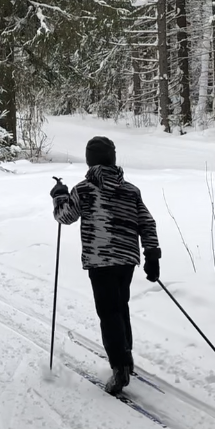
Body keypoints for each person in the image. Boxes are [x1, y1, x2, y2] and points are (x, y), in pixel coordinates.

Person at [51, 137, 161, 396]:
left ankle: (119, 368)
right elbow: (147, 222)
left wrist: (59, 196)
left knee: (108, 312)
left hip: (100, 260)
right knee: (120, 307)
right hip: (126, 260)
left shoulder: (83, 189)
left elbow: (64, 216)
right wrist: (152, 254)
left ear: (90, 161)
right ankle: (127, 357)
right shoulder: (131, 190)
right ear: (112, 159)